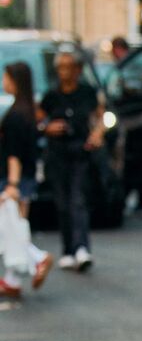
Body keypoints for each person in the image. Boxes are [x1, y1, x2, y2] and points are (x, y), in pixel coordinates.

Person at [39, 51, 104, 272]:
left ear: (78, 70)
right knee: (62, 202)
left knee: (78, 200)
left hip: (80, 152)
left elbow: (100, 117)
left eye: (70, 67)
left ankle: (81, 248)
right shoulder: (51, 95)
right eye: (62, 67)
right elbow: (38, 119)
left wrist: (97, 134)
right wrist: (47, 128)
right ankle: (68, 248)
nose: (66, 72)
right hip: (57, 154)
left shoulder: (87, 93)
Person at [0, 62, 53, 297]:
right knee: (14, 226)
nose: (3, 82)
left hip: (14, 179)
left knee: (11, 227)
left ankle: (38, 258)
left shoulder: (15, 116)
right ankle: (12, 279)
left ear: (14, 80)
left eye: (5, 77)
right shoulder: (29, 111)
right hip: (26, 177)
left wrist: (12, 185)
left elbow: (14, 154)